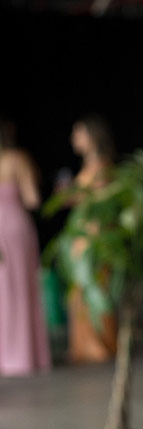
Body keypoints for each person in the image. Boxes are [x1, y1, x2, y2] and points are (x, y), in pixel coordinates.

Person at [0, 118, 51, 376]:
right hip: (14, 229)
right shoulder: (17, 159)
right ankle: (23, 356)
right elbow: (32, 198)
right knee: (20, 290)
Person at [65, 115, 117, 362]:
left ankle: (99, 344)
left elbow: (103, 203)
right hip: (81, 233)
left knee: (94, 287)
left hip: (93, 236)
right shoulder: (90, 165)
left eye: (79, 133)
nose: (75, 139)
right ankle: (86, 345)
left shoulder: (101, 166)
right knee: (81, 290)